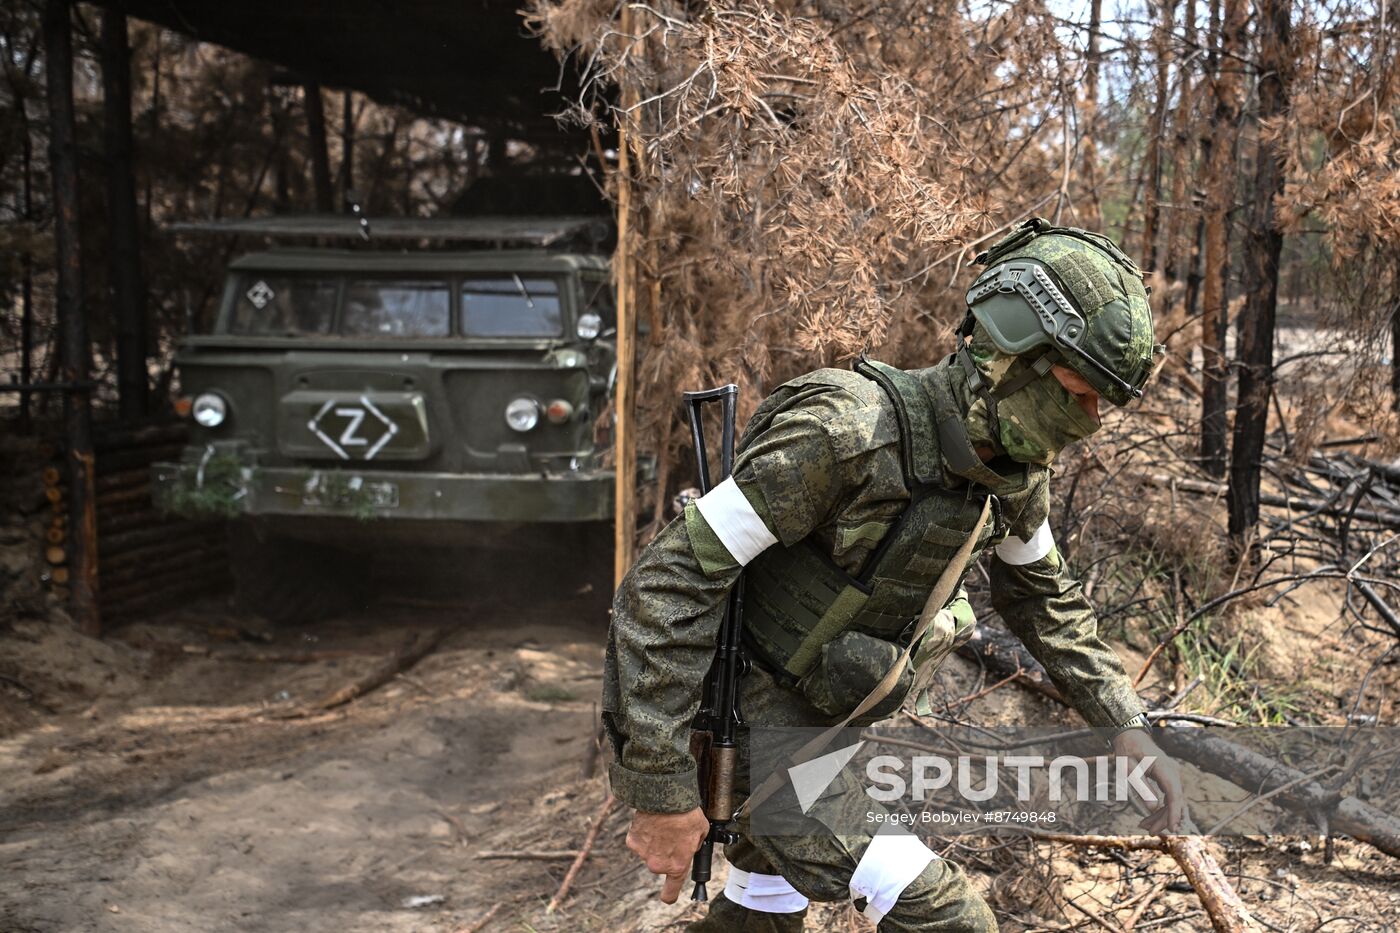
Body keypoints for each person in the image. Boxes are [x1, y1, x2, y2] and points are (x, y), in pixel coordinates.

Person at [603, 218, 1186, 931]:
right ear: (1009, 353)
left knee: (761, 920)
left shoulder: (1011, 474)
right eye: (1077, 390)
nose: (1090, 420)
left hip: (825, 735)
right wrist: (659, 786)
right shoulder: (846, 432)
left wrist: (1125, 722)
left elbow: (1045, 600)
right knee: (951, 921)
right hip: (751, 739)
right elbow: (666, 588)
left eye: (1105, 402)